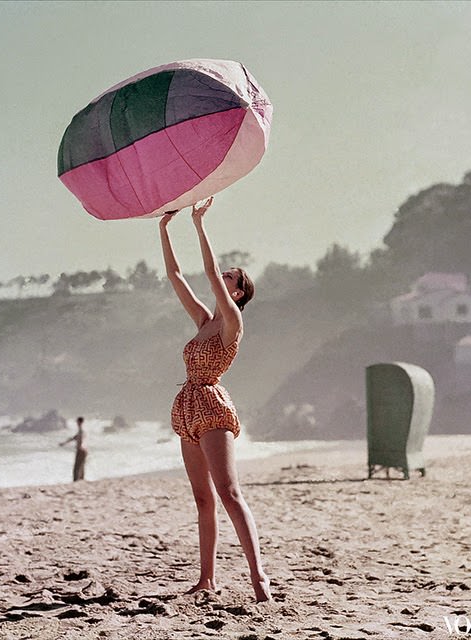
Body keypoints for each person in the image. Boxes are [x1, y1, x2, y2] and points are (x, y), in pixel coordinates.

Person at [159, 196, 271, 603]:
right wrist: (164, 229)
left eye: (230, 277)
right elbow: (175, 276)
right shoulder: (205, 321)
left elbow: (206, 272)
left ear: (239, 293)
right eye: (225, 273)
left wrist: (199, 223)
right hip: (187, 407)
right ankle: (207, 579)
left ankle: (260, 581)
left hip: (212, 406)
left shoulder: (233, 322)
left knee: (228, 492)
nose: (222, 276)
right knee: (203, 497)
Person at [59, 416, 87, 482]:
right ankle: (81, 480)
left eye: (77, 422)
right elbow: (73, 438)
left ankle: (76, 480)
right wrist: (64, 443)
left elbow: (79, 439)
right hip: (83, 450)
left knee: (77, 467)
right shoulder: (81, 431)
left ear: (80, 422)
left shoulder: (81, 431)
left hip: (81, 450)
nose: (77, 423)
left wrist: (80, 446)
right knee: (81, 466)